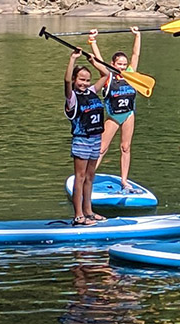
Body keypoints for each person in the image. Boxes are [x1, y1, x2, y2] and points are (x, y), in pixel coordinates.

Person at [87, 27, 141, 191]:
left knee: (126, 147)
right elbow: (97, 60)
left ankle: (124, 181)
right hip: (113, 117)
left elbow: (135, 55)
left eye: (124, 65)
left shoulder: (131, 74)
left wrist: (137, 35)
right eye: (119, 64)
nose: (123, 67)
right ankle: (88, 178)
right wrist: (92, 41)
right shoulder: (108, 76)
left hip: (128, 115)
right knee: (102, 148)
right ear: (112, 64)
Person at [64, 49, 110, 226]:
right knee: (80, 177)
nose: (84, 83)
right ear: (76, 80)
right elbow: (66, 80)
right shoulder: (72, 97)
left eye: (87, 80)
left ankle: (88, 211)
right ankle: (78, 215)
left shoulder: (91, 91)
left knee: (91, 177)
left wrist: (93, 61)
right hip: (82, 139)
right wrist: (73, 59)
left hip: (95, 138)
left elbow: (106, 74)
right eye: (81, 80)